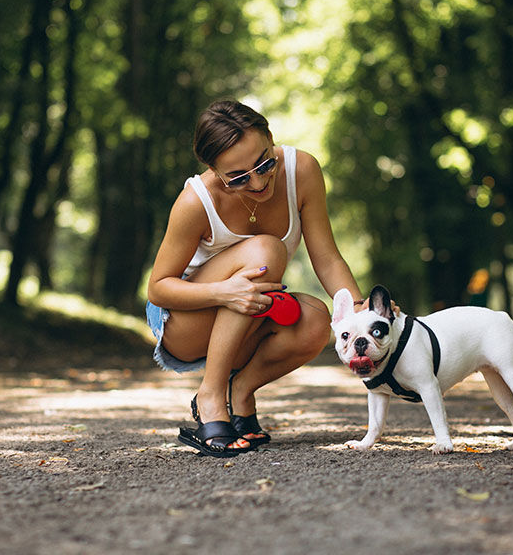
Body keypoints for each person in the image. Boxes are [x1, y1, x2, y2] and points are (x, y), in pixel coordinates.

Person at [146, 100, 363, 457]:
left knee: (316, 320)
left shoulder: (302, 170)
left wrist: (359, 311)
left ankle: (241, 393)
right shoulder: (195, 201)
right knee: (266, 253)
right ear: (214, 170)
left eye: (265, 163)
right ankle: (210, 396)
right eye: (239, 177)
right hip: (184, 324)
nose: (260, 181)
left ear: (271, 138)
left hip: (245, 320)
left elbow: (326, 257)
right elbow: (158, 288)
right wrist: (223, 292)